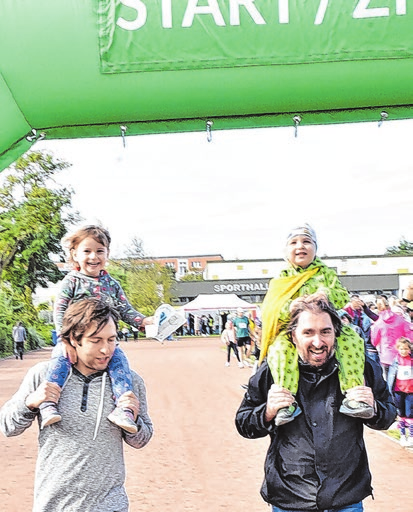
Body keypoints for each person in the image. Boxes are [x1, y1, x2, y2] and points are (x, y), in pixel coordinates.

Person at [235, 293, 397, 512]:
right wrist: (267, 412)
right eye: (308, 332)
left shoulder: (360, 367)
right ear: (293, 336)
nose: (318, 342)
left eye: (325, 332)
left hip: (346, 498)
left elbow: (388, 414)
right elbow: (244, 423)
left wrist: (374, 409)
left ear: (336, 333)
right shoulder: (272, 370)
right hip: (291, 497)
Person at [0, 297, 153, 512]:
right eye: (96, 340)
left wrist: (135, 418)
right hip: (53, 505)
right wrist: (30, 403)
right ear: (74, 339)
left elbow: (142, 440)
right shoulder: (43, 375)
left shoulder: (130, 381)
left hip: (109, 505)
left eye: (111, 340)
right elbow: (7, 426)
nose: (105, 350)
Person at [42, 225, 153, 433]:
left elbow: (125, 309)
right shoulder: (72, 281)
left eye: (100, 251)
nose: (94, 256)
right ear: (74, 254)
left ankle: (124, 408)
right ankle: (48, 404)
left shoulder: (112, 284)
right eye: (87, 251)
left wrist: (144, 321)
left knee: (120, 365)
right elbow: (60, 310)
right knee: (59, 361)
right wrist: (64, 340)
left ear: (107, 254)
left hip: (105, 338)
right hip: (74, 339)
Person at [259, 224, 372, 426]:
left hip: (329, 328)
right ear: (286, 252)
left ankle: (354, 395)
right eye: (293, 242)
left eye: (306, 241)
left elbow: (341, 296)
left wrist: (326, 295)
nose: (300, 246)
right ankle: (286, 402)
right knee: (280, 349)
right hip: (292, 331)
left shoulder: (326, 274)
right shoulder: (280, 279)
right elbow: (270, 310)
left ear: (315, 248)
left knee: (352, 339)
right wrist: (290, 306)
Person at [371, 297, 413, 380]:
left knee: (388, 381)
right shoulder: (401, 320)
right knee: (403, 379)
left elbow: (374, 341)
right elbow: (410, 337)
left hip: (386, 357)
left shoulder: (378, 323)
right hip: (401, 354)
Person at [387, 337, 413, 447]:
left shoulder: (411, 361)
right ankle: (402, 435)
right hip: (398, 391)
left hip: (410, 391)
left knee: (410, 413)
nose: (403, 351)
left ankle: (411, 435)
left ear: (409, 349)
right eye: (401, 349)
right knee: (400, 413)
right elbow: (391, 376)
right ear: (398, 349)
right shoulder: (396, 361)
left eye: (406, 349)